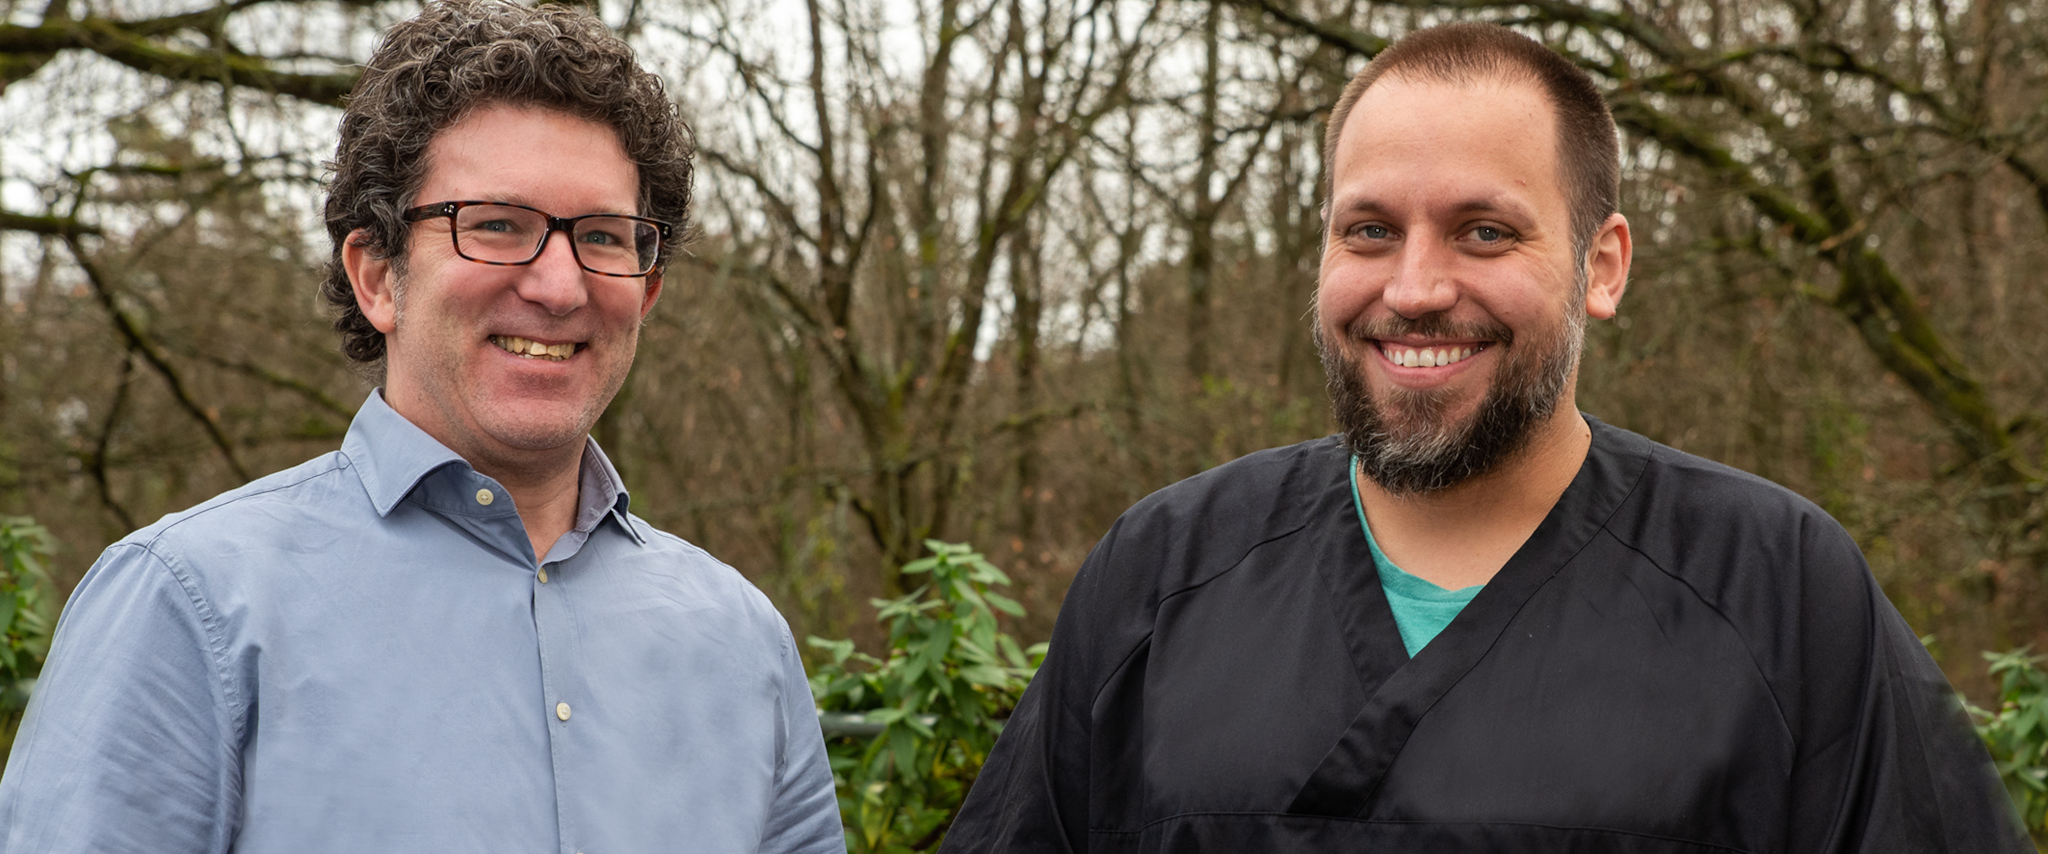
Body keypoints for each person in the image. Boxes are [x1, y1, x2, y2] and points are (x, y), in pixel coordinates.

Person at [942, 21, 2029, 854]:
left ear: (1601, 265)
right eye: (1368, 230)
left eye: (1483, 231)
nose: (1413, 288)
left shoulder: (1778, 587)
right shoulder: (1161, 570)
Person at [0, 3, 844, 852]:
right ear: (377, 275)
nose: (559, 286)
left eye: (601, 237)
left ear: (646, 290)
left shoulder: (744, 645)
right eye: (497, 226)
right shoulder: (186, 607)